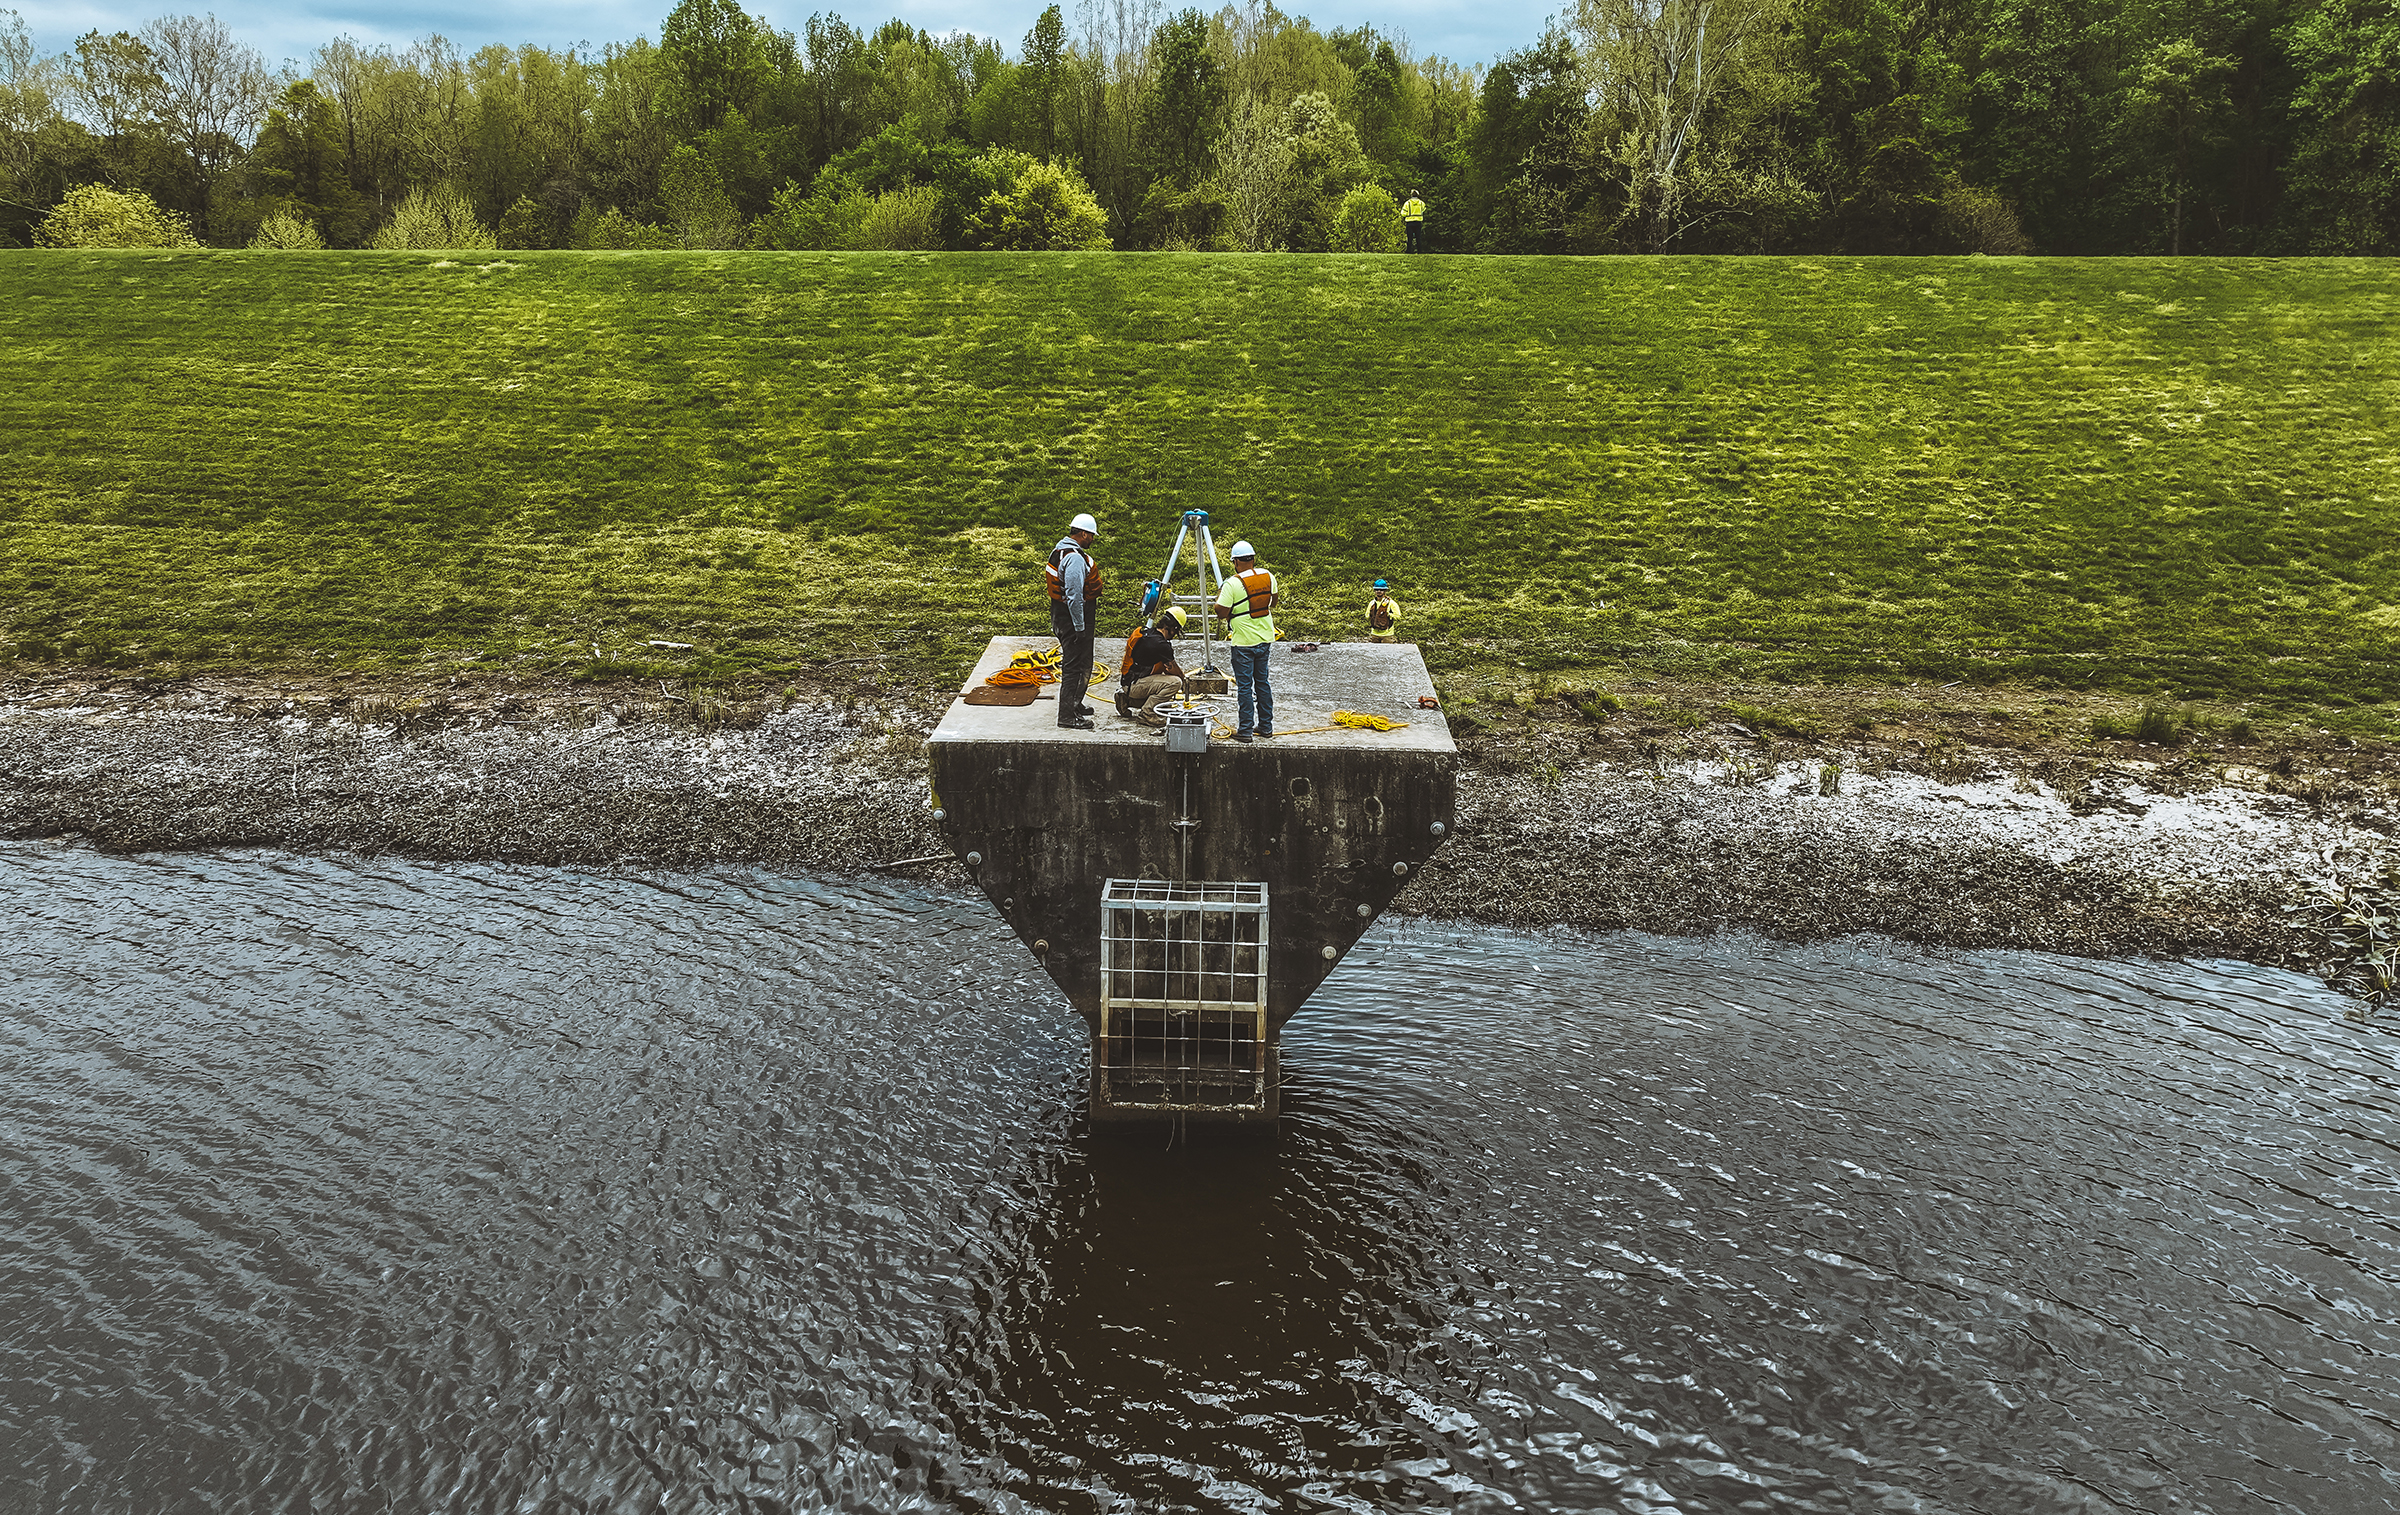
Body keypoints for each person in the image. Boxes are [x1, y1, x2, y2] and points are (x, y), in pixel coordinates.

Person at [1212, 539, 1278, 742]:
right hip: (1265, 638)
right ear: (1253, 559)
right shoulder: (1268, 575)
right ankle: (1266, 727)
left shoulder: (1232, 584)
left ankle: (1246, 730)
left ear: (1235, 562)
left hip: (1243, 642)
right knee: (1262, 683)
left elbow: (1220, 612)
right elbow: (1272, 602)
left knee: (1244, 687)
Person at [1044, 511, 1103, 730]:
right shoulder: (1075, 559)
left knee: (1083, 662)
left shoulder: (1060, 549)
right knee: (1073, 667)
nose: (1093, 539)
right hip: (1073, 620)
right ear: (1083, 534)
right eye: (1092, 535)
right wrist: (1080, 627)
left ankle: (1075, 703)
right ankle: (1067, 716)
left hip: (1062, 616)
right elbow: (1074, 596)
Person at [1115, 606, 1191, 725]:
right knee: (1175, 683)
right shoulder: (1161, 645)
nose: (1175, 634)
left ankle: (1126, 700)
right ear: (1173, 628)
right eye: (1176, 631)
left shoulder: (1148, 633)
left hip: (1129, 682)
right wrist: (1185, 682)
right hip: (1136, 685)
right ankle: (1147, 714)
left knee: (1165, 705)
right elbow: (1173, 669)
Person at [1364, 579, 1401, 643]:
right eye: (1376, 589)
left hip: (1387, 635)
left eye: (1381, 590)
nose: (1379, 591)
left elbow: (1398, 616)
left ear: (1385, 591)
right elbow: (1367, 616)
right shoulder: (1372, 603)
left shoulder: (1391, 603)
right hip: (1374, 634)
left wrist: (1388, 615)